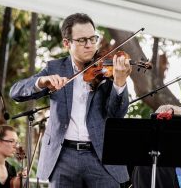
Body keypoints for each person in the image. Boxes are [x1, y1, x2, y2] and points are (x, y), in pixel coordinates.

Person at [10, 13, 132, 188]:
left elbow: (117, 114)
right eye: (82, 40)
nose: (90, 45)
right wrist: (41, 82)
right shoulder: (55, 68)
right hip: (63, 157)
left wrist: (120, 83)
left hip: (101, 156)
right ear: (67, 43)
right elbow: (16, 92)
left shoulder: (107, 70)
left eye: (93, 38)